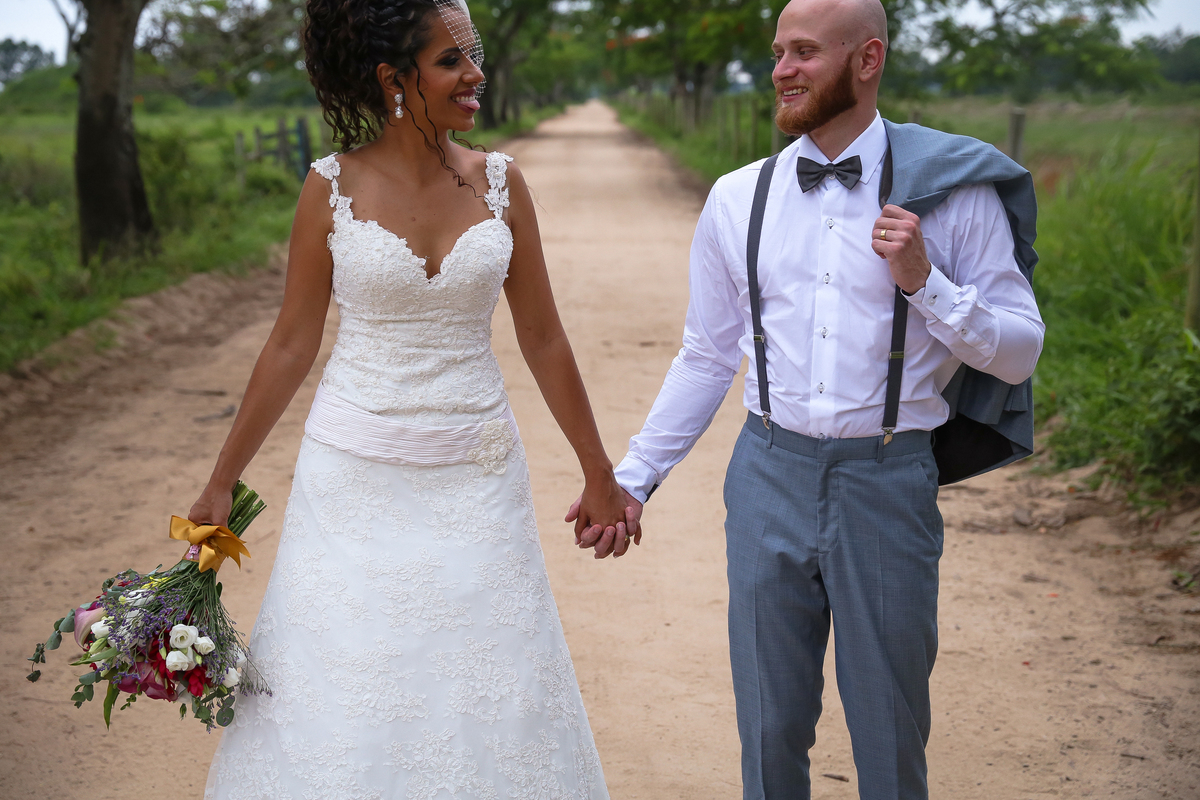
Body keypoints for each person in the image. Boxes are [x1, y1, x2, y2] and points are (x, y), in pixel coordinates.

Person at [576, 0, 1045, 797]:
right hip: (767, 473)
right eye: (777, 53)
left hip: (889, 481)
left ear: (867, 61)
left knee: (890, 730)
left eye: (804, 53)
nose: (782, 71)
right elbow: (706, 354)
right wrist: (634, 476)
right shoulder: (736, 198)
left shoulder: (954, 191)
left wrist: (927, 285)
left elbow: (1020, 349)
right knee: (768, 723)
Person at [190, 1, 627, 796]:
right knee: (350, 667)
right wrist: (222, 478)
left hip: (478, 475)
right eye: (452, 60)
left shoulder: (502, 183)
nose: (476, 75)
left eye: (475, 55)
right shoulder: (330, 187)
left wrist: (600, 471)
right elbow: (292, 343)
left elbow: (544, 337)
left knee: (485, 669)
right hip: (351, 478)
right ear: (396, 79)